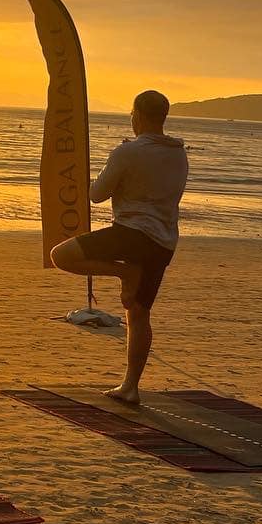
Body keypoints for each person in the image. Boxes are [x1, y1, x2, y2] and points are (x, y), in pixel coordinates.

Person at [50, 90, 188, 405]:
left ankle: (123, 271)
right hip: (163, 241)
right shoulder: (178, 153)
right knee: (139, 314)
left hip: (131, 233)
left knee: (60, 255)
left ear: (136, 115)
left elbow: (97, 194)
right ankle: (131, 387)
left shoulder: (129, 152)